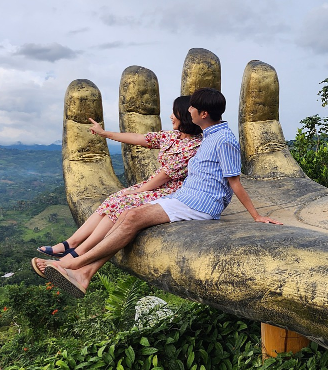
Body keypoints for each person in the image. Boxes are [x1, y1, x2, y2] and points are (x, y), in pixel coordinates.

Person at [36, 87, 281, 297]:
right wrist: (105, 133)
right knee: (126, 214)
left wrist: (256, 216)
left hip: (200, 204)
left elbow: (234, 181)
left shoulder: (223, 140)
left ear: (203, 114)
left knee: (132, 217)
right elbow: (144, 139)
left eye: (193, 107)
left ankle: (75, 264)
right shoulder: (207, 135)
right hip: (185, 197)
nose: (189, 111)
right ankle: (84, 275)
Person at [31, 96, 202, 276]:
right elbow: (138, 138)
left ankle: (77, 254)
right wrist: (105, 133)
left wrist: (137, 191)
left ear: (184, 116)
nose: (171, 117)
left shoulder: (194, 145)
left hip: (171, 191)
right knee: (113, 198)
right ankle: (71, 243)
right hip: (155, 185)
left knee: (122, 202)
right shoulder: (173, 136)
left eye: (174, 113)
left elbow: (163, 176)